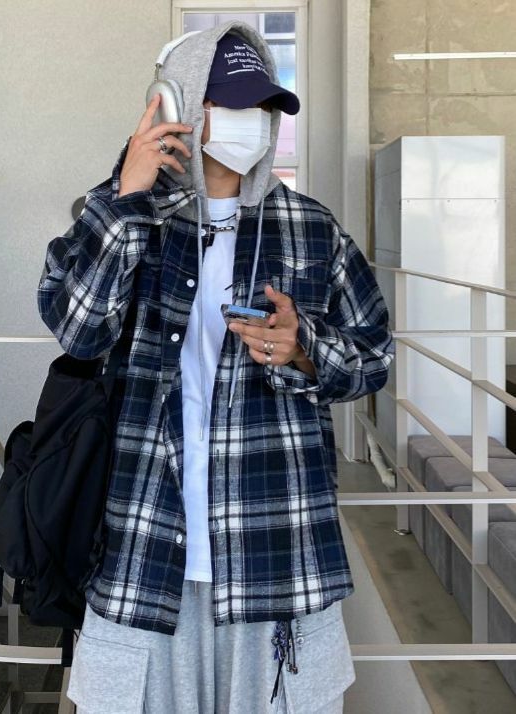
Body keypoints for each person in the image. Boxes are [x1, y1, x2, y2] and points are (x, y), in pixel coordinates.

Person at [37, 20, 395, 714]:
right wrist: (128, 197)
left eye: (262, 105)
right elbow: (78, 331)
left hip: (278, 557)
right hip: (144, 552)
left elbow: (373, 355)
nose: (251, 119)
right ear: (174, 105)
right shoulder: (115, 216)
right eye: (230, 102)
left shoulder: (312, 228)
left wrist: (304, 347)